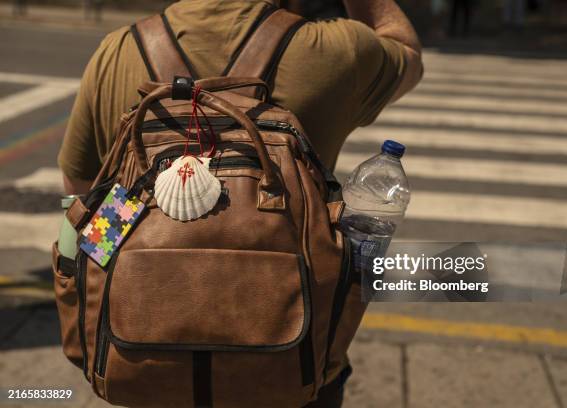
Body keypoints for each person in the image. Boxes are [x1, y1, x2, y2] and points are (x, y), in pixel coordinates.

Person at [58, 0, 423, 405]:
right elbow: (405, 49)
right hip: (287, 370)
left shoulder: (117, 50)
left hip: (141, 364)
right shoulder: (335, 51)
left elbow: (81, 191)